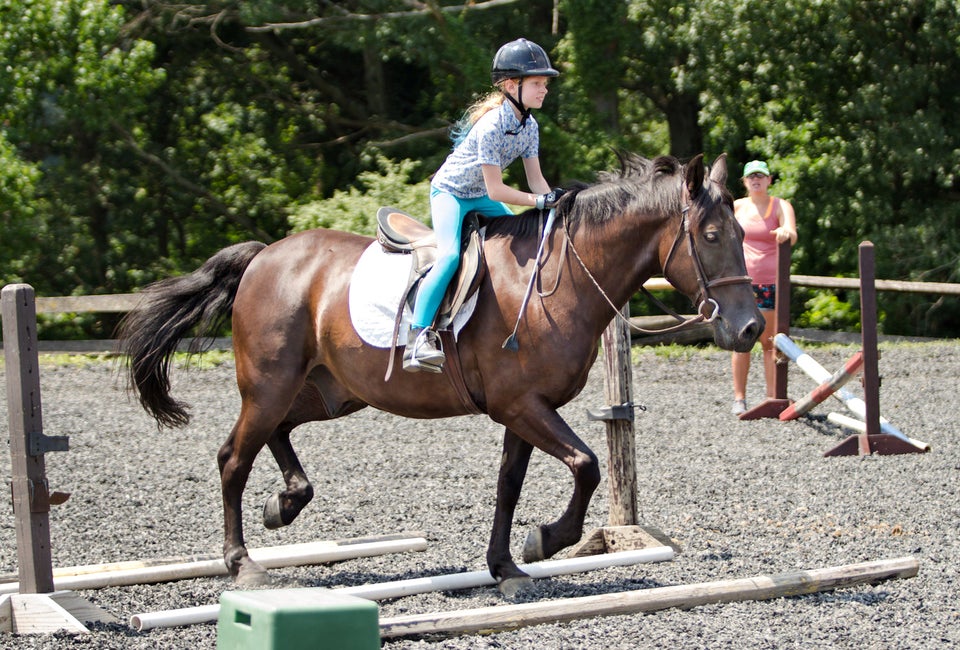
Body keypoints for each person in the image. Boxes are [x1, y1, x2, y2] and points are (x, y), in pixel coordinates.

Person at [403, 38, 564, 373]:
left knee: (523, 239)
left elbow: (536, 182)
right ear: (511, 85)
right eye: (536, 83)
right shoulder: (491, 125)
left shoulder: (529, 126)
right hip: (451, 194)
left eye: (545, 84)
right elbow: (496, 191)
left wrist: (555, 207)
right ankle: (418, 336)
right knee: (448, 256)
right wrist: (538, 201)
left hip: (480, 195)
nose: (544, 90)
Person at [731, 160, 797, 414]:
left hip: (770, 282)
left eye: (761, 176)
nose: (756, 180)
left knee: (769, 342)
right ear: (745, 181)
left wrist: (784, 232)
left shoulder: (780, 206)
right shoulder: (736, 207)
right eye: (751, 177)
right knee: (741, 341)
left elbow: (791, 232)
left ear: (769, 180)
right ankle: (739, 398)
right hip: (742, 284)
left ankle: (773, 397)